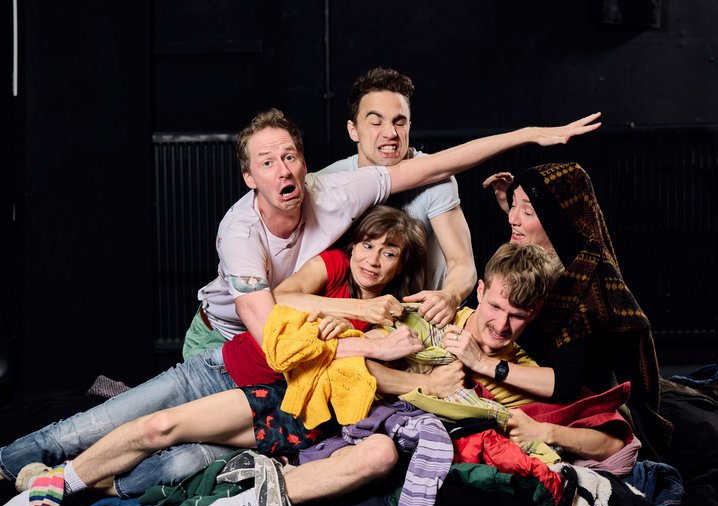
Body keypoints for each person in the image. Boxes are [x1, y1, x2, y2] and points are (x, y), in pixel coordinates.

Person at [0, 243, 632, 506]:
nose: (499, 324)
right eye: (494, 306)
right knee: (161, 426)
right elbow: (340, 349)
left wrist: (481, 379)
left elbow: (606, 431)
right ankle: (39, 491)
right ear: (482, 291)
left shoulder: (514, 370)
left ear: (532, 318)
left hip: (325, 440)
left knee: (176, 468)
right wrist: (385, 352)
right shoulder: (433, 314)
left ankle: (86, 494)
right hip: (297, 399)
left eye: (517, 318)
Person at [0, 206, 443, 499]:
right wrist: (352, 312)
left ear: (401, 266)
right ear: (354, 246)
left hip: (265, 410)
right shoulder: (334, 268)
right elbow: (279, 299)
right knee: (93, 426)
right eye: (367, 245)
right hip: (221, 371)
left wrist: (365, 340)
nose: (373, 260)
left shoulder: (391, 325)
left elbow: (354, 378)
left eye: (389, 253)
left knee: (176, 465)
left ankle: (73, 487)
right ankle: (8, 465)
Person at [182, 107, 603, 359]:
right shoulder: (239, 233)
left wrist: (526, 135)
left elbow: (434, 167)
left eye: (289, 157)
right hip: (224, 334)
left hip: (294, 331)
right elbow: (273, 330)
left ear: (304, 163)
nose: (283, 171)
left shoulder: (337, 193)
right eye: (267, 163)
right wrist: (366, 328)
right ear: (249, 178)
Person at [482, 162, 673, 459]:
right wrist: (517, 206)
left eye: (528, 212)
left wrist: (486, 364)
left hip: (589, 412)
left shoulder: (581, 293)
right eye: (512, 206)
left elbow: (566, 385)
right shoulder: (538, 259)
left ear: (556, 223)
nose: (512, 218)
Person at [319, 67, 477, 328]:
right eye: (376, 122)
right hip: (355, 322)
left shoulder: (436, 178)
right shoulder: (330, 181)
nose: (390, 133)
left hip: (425, 322)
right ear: (353, 130)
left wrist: (450, 295)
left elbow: (462, 262)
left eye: (399, 122)